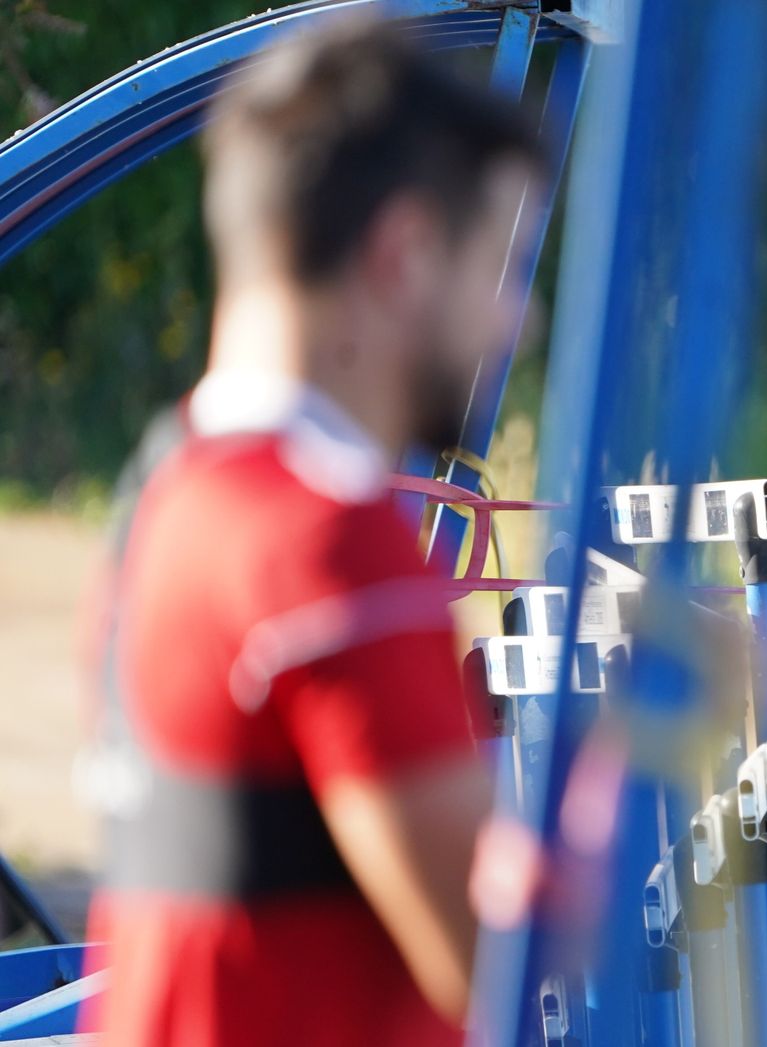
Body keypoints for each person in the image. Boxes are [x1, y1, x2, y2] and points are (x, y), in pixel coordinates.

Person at [78, 24, 542, 1046]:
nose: (515, 322)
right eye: (501, 270)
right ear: (405, 253)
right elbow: (503, 957)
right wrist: (646, 734)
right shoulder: (327, 542)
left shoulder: (170, 485)